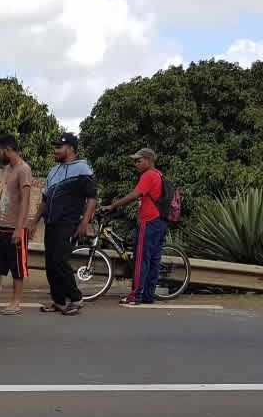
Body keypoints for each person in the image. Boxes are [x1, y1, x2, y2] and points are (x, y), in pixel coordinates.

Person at [38, 133, 97, 316]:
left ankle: (76, 298)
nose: (56, 150)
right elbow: (44, 199)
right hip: (51, 222)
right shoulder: (53, 171)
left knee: (60, 260)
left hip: (69, 222)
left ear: (70, 148)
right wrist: (34, 220)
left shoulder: (82, 169)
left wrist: (84, 222)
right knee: (50, 263)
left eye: (59, 147)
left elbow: (91, 198)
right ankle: (59, 301)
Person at [101, 148, 167, 305]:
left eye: (139, 160)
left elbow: (134, 195)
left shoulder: (148, 175)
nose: (136, 164)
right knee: (154, 260)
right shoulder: (159, 175)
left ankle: (135, 296)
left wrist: (113, 206)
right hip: (161, 222)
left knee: (141, 259)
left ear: (149, 160)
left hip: (149, 221)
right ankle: (148, 296)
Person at [0, 135, 36, 315]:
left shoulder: (24, 170)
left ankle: (15, 303)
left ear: (8, 150)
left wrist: (19, 229)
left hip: (15, 228)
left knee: (17, 268)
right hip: (0, 226)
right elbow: (3, 197)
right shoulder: (7, 169)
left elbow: (25, 201)